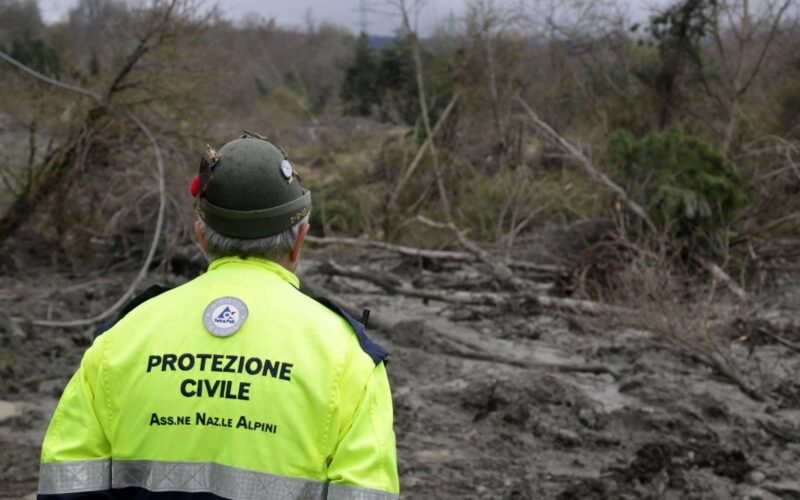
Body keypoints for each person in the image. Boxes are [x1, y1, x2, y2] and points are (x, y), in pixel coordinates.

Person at [37, 134, 399, 500]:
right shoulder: (350, 360)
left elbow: (67, 486)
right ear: (299, 240)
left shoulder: (120, 339)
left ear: (201, 237)